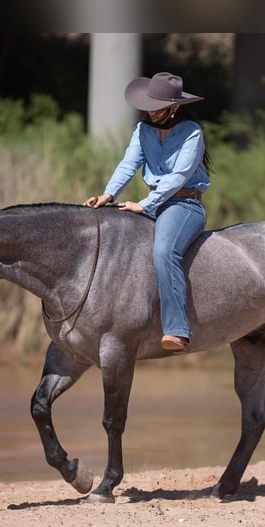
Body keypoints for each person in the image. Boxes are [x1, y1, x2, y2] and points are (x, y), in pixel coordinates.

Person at [84, 72, 211, 353]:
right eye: (149, 106)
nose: (151, 113)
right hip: (153, 201)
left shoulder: (192, 132)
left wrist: (144, 205)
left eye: (158, 107)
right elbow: (127, 165)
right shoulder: (143, 131)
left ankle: (177, 330)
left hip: (184, 204)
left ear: (175, 107)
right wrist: (108, 195)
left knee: (164, 252)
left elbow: (179, 176)